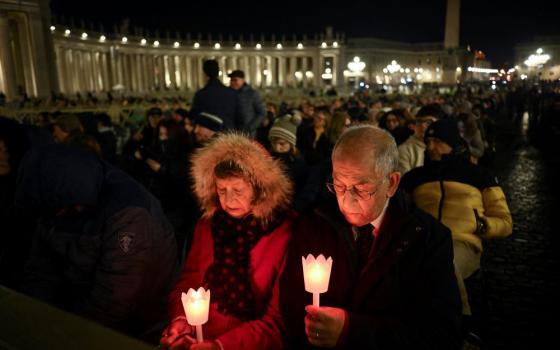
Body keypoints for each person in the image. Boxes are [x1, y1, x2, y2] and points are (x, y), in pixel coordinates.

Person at [280, 124, 462, 349]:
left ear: (392, 183)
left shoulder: (427, 238)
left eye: (361, 188)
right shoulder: (315, 225)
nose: (347, 200)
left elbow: (442, 333)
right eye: (339, 185)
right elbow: (290, 305)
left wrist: (352, 330)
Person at [15, 144, 178, 338]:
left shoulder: (128, 212)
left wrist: (68, 333)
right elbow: (41, 270)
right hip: (79, 303)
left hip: (134, 322)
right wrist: (34, 315)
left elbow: (115, 298)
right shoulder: (55, 196)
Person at [160, 133, 294, 350]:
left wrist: (221, 346)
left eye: (238, 191)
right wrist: (181, 320)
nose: (229, 200)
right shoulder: (208, 225)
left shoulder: (285, 233)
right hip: (199, 338)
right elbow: (190, 283)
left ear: (260, 189)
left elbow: (280, 321)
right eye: (222, 190)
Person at [401, 119, 512, 319]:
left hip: (462, 243)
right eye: (428, 141)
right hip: (423, 242)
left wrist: (484, 224)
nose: (430, 147)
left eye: (437, 141)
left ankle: (461, 323)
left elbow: (504, 221)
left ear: (452, 142)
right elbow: (400, 212)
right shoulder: (414, 177)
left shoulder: (479, 176)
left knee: (444, 261)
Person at [190, 60, 240, 130]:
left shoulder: (201, 94)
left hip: (209, 133)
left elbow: (195, 115)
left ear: (204, 73)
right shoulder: (231, 93)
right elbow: (239, 117)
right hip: (228, 132)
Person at [397, 104, 444, 174]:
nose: (422, 126)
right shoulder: (405, 150)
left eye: (429, 122)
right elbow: (406, 182)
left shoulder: (447, 145)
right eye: (419, 122)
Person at [228, 70, 266, 138]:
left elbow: (262, 112)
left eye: (235, 80)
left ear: (242, 80)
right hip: (232, 133)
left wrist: (250, 127)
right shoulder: (228, 93)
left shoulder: (252, 94)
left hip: (248, 134)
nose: (232, 82)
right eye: (231, 80)